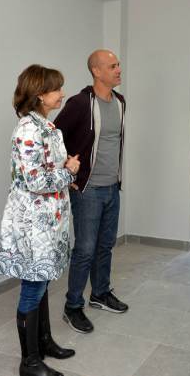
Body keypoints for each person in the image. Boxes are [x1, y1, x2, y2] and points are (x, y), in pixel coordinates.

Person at [0, 64, 81, 376]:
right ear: (40, 94)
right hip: (34, 224)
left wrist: (63, 173)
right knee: (33, 286)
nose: (62, 93)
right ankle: (29, 362)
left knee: (42, 280)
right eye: (56, 88)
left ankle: (43, 343)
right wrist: (68, 172)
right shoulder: (29, 130)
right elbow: (35, 181)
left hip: (47, 220)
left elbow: (45, 171)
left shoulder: (45, 126)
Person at [54, 49, 128, 334]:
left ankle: (100, 293)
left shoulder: (120, 102)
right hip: (87, 189)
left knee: (105, 244)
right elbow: (55, 137)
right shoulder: (80, 103)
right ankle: (73, 306)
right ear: (96, 71)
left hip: (112, 187)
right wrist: (68, 171)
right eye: (112, 66)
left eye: (118, 65)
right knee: (85, 249)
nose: (118, 69)